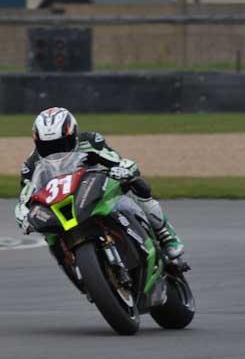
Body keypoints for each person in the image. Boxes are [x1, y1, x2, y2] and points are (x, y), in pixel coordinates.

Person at [14, 107, 184, 259]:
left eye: (61, 143)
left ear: (73, 134)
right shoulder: (31, 164)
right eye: (47, 146)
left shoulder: (89, 141)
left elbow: (119, 162)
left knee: (135, 187)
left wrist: (123, 170)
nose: (56, 150)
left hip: (93, 189)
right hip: (61, 204)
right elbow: (26, 198)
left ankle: (164, 233)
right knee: (49, 235)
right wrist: (24, 216)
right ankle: (73, 268)